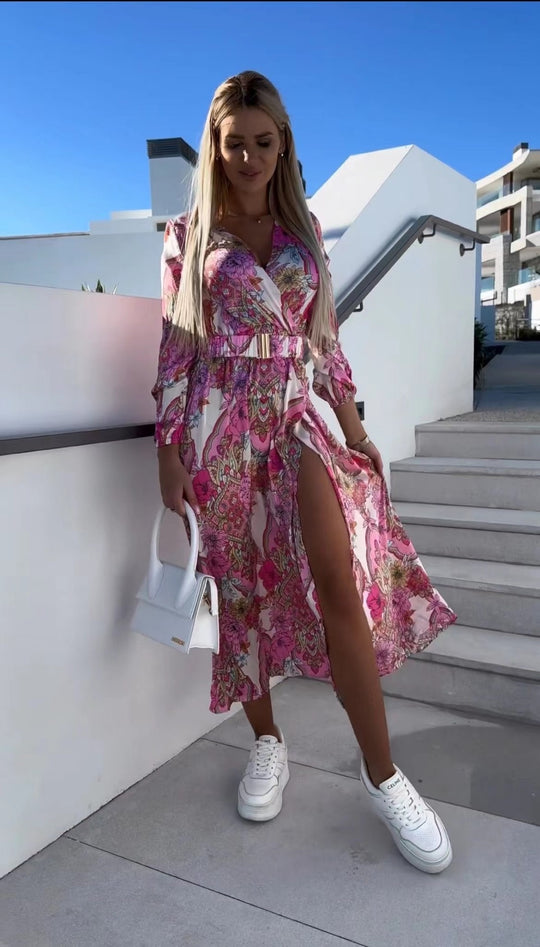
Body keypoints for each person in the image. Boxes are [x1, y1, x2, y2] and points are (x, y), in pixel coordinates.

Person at [152, 71, 458, 874]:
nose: (249, 157)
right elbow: (177, 350)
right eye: (234, 144)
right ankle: (267, 741)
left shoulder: (303, 229)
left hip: (296, 419)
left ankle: (383, 774)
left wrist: (355, 427)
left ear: (282, 143)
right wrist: (168, 451)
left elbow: (323, 340)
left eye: (263, 141)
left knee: (336, 581)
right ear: (216, 147)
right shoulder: (188, 235)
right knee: (237, 592)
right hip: (220, 429)